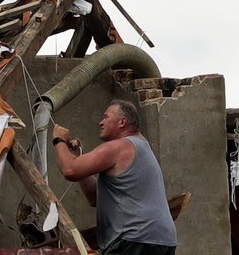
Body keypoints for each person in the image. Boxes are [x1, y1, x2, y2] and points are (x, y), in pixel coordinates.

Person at [52, 100, 178, 255]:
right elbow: (95, 198)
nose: (100, 122)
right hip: (160, 241)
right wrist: (78, 157)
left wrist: (59, 140)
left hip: (134, 239)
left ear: (122, 122)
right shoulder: (140, 146)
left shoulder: (121, 147)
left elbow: (70, 170)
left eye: (106, 117)